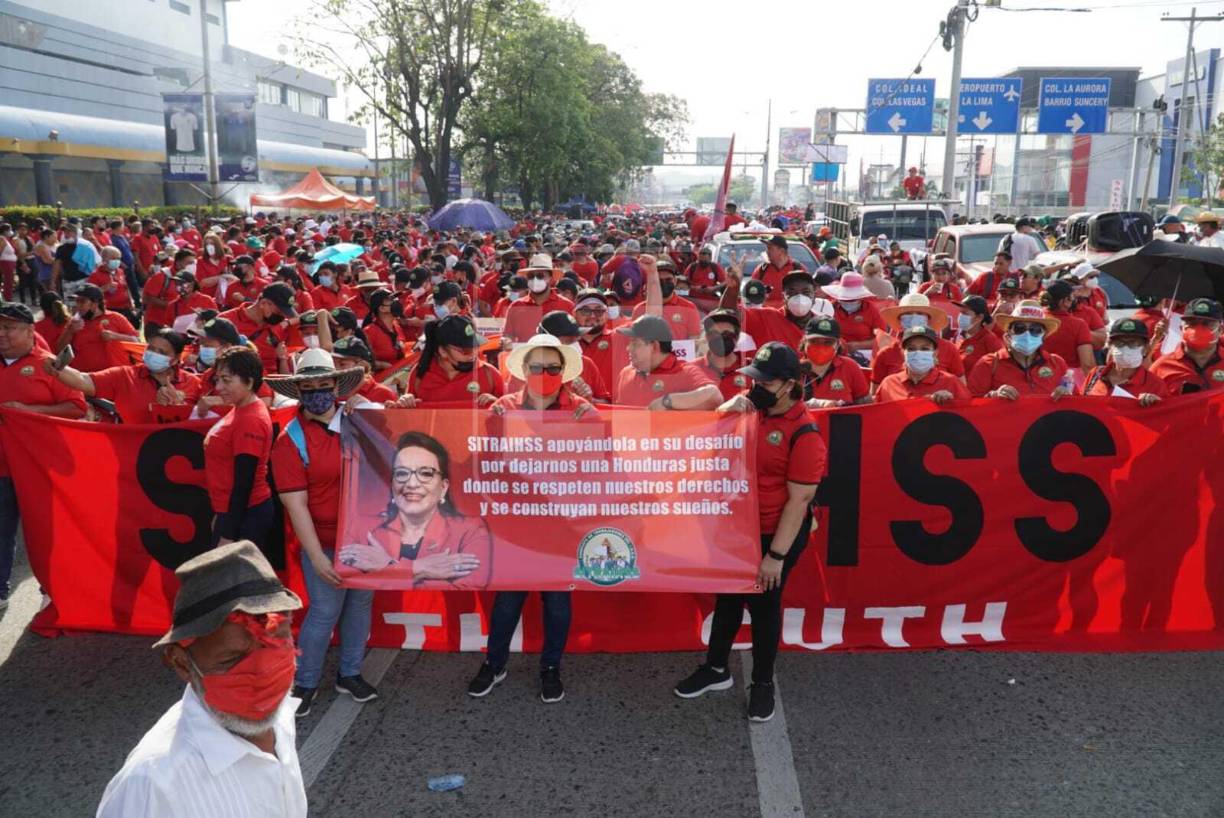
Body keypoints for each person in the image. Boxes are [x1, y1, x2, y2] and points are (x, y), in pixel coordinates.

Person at [96, 541, 307, 817]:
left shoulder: (279, 716)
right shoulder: (153, 784)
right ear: (182, 663)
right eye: (232, 659)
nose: (263, 672)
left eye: (275, 645)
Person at [673, 342, 825, 722]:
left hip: (775, 532)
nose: (755, 386)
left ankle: (762, 683)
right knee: (727, 598)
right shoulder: (751, 405)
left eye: (765, 381)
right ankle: (717, 668)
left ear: (790, 385)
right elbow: (707, 437)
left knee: (763, 606)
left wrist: (774, 557)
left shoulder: (805, 434)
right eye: (753, 378)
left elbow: (798, 502)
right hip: (738, 527)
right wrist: (726, 410)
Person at [468, 336, 596, 703]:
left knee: (557, 603)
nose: (544, 374)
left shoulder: (583, 411)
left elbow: (601, 462)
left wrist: (582, 428)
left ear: (563, 373)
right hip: (517, 526)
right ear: (524, 371)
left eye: (553, 368)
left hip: (561, 527)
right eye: (537, 367)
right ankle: (495, 663)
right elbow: (483, 460)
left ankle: (551, 667)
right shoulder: (504, 409)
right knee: (508, 600)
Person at [265, 349, 377, 717]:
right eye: (308, 386)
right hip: (324, 542)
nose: (317, 392)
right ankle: (307, 682)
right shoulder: (289, 441)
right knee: (325, 611)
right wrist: (315, 556)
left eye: (323, 385)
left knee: (359, 606)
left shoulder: (360, 420)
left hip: (363, 541)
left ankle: (350, 673)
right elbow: (295, 506)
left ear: (335, 387)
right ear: (298, 391)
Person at [0, 301, 86, 608]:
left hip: (40, 465)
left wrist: (29, 411)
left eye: (9, 327)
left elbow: (77, 407)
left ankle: (53, 587)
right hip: (3, 468)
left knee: (46, 531)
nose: (2, 334)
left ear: (29, 331)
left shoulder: (48, 364)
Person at [337, 431, 492, 588]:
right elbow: (345, 577)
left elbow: (468, 588)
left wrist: (387, 567)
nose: (411, 484)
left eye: (425, 473)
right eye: (402, 473)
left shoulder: (470, 530)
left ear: (443, 487)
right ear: (392, 484)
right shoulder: (361, 527)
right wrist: (419, 568)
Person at [46, 328, 199, 424]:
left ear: (174, 359)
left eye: (162, 352)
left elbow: (207, 418)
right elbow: (83, 381)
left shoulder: (193, 383)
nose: (153, 354)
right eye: (151, 349)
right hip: (132, 452)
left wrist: (179, 407)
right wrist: (57, 368)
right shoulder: (125, 376)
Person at [203, 347, 274, 547]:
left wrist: (228, 532)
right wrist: (222, 515)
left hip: (247, 515)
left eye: (227, 380)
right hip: (232, 512)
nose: (219, 387)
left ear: (249, 382)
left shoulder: (250, 419)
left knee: (231, 578)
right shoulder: (239, 408)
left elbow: (244, 482)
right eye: (217, 379)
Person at [967, 300, 1072, 400]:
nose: (1027, 334)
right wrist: (992, 396)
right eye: (1019, 328)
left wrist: (1068, 396)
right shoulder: (988, 364)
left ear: (1043, 335)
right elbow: (969, 407)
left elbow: (1077, 404)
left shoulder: (1057, 363)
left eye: (1035, 329)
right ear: (1008, 333)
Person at [612, 315, 721, 409]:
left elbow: (715, 396)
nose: (628, 348)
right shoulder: (626, 373)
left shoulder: (684, 371)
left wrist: (668, 401)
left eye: (635, 343)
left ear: (654, 346)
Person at [402, 314, 504, 406]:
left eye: (476, 346)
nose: (473, 354)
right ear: (443, 351)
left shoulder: (490, 374)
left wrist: (498, 403)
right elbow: (408, 419)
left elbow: (508, 414)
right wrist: (406, 401)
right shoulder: (420, 373)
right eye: (466, 350)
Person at [872, 293, 964, 387]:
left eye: (920, 313)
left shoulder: (949, 349)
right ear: (900, 320)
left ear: (928, 319)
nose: (913, 317)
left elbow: (961, 387)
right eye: (908, 313)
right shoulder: (886, 353)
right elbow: (877, 395)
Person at [54, 284, 140, 372]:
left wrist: (116, 336)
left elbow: (137, 341)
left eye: (82, 301)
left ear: (95, 303)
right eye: (77, 301)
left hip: (117, 376)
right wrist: (70, 331)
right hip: (87, 380)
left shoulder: (115, 317)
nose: (78, 305)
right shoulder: (74, 323)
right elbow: (59, 349)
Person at [218, 281, 299, 375]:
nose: (282, 315)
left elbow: (310, 318)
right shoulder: (226, 320)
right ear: (263, 303)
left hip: (273, 382)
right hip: (237, 378)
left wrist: (286, 323)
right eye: (278, 311)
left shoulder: (280, 324)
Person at [875, 326, 972, 404]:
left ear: (935, 353)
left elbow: (970, 414)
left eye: (925, 349)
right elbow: (875, 416)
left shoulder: (951, 382)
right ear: (903, 353)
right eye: (911, 349)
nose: (918, 353)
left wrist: (952, 400)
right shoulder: (889, 384)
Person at [1082, 318, 1167, 406]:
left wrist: (1156, 403)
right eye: (1120, 343)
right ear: (1110, 346)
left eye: (1133, 343)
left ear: (1145, 349)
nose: (1126, 348)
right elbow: (1081, 405)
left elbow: (1164, 416)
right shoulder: (1095, 374)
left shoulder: (1155, 385)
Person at [1151, 297, 1224, 393]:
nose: (1199, 328)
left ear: (1220, 330)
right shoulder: (1161, 367)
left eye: (1207, 323)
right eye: (1192, 323)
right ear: (1181, 328)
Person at [801, 317, 871, 408]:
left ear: (837, 344)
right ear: (804, 342)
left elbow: (866, 406)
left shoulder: (850, 367)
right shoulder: (793, 369)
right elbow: (783, 408)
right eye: (814, 341)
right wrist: (814, 404)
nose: (821, 347)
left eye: (828, 342)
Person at [503, 254, 574, 342]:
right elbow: (508, 334)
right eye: (531, 276)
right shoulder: (516, 306)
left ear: (551, 279)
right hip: (525, 354)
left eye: (540, 276)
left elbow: (574, 337)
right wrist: (506, 342)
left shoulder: (567, 306)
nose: (535, 280)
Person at [694, 308, 751, 400]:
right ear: (707, 337)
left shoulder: (751, 369)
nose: (720, 338)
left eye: (727, 334)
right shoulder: (691, 369)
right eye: (714, 333)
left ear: (736, 338)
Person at [1040, 280, 1095, 375]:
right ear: (1065, 301)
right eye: (1072, 297)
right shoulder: (1079, 325)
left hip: (1038, 375)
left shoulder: (1035, 320)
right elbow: (1087, 364)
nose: (1074, 300)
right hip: (1069, 379)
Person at [361, 289, 408, 371]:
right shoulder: (369, 332)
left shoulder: (396, 326)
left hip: (400, 374)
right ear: (382, 309)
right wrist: (382, 365)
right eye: (390, 300)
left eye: (395, 299)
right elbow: (362, 361)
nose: (396, 302)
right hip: (382, 378)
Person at [955, 295, 1004, 372]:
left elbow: (1002, 366)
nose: (961, 316)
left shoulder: (989, 339)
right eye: (960, 312)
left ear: (979, 317)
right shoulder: (959, 334)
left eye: (965, 313)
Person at [750, 236, 802, 306]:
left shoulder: (797, 268)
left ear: (782, 251)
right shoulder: (761, 269)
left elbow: (806, 296)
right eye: (767, 248)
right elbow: (751, 297)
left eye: (770, 248)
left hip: (789, 315)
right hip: (766, 315)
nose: (766, 251)